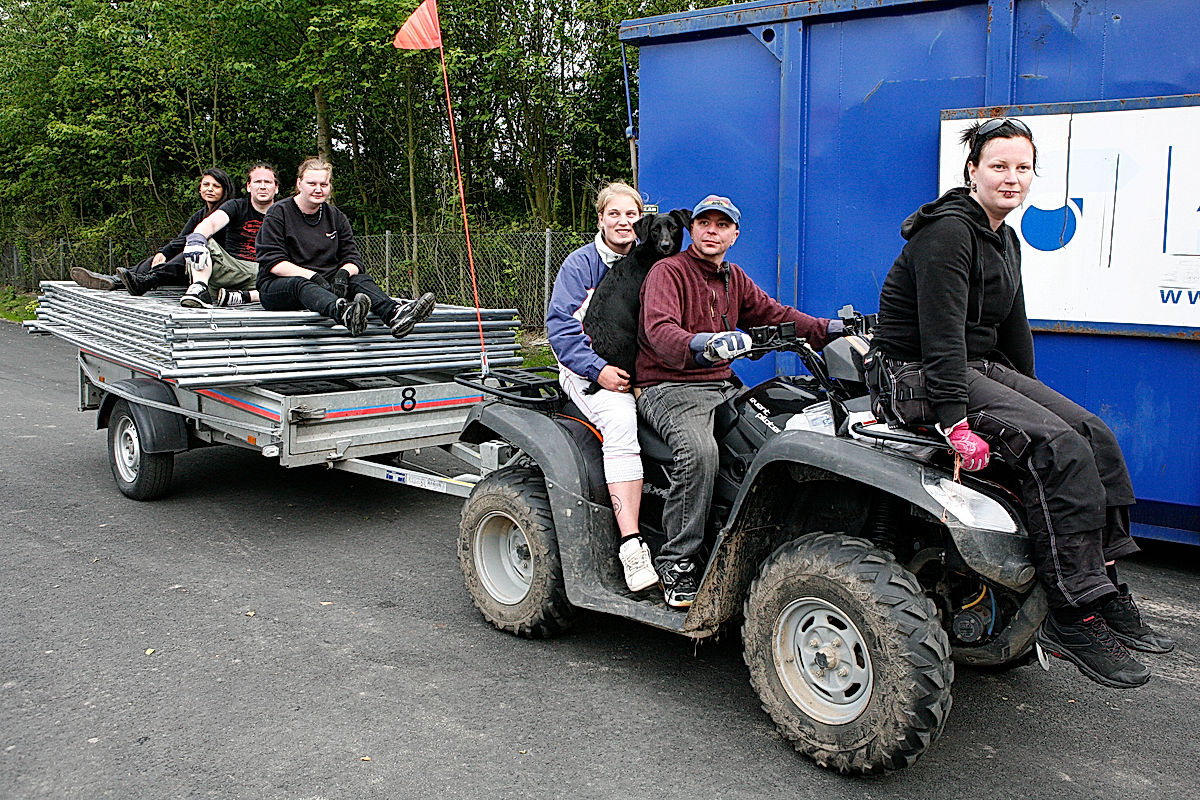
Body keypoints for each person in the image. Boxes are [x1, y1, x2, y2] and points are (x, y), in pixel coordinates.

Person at [866, 118, 1173, 689]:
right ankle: (1071, 614)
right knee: (1060, 451)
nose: (1012, 178)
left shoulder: (1003, 236)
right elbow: (941, 337)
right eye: (999, 166)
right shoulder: (947, 234)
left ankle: (1104, 589)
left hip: (978, 366)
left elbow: (1014, 328)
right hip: (919, 377)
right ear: (973, 170)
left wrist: (1029, 396)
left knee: (1094, 437)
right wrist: (955, 423)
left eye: (1023, 167)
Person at [635, 195, 842, 607]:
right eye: (704, 223)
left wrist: (830, 330)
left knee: (775, 436)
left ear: (734, 235)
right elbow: (660, 330)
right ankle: (677, 560)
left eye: (722, 225)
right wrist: (704, 344)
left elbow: (774, 314)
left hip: (721, 383)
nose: (712, 231)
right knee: (699, 453)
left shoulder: (734, 278)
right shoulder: (667, 272)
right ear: (692, 229)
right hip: (669, 385)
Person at [546, 181, 658, 594]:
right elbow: (561, 329)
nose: (623, 222)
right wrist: (598, 371)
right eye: (615, 214)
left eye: (631, 214)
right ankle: (631, 544)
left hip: (640, 367)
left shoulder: (654, 261)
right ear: (601, 219)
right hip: (590, 372)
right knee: (622, 421)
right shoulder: (580, 265)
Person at [254, 157, 434, 337]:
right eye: (312, 184)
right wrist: (313, 277)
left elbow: (353, 258)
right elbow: (274, 262)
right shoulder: (278, 213)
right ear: (299, 184)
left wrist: (343, 274)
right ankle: (345, 313)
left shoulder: (336, 216)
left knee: (359, 279)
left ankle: (395, 313)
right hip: (282, 286)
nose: (318, 189)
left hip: (326, 287)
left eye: (324, 184)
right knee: (300, 283)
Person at [70, 168, 234, 294]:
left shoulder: (226, 214)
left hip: (212, 268)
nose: (210, 189)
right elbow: (182, 238)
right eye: (206, 185)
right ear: (199, 188)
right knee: (159, 256)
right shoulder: (199, 215)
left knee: (190, 252)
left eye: (216, 186)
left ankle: (146, 280)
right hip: (191, 267)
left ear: (224, 190)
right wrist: (163, 253)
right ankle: (116, 280)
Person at [158, 162, 281, 308]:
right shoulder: (235, 206)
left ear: (276, 188)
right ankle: (199, 289)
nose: (262, 186)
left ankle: (246, 296)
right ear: (249, 186)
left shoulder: (284, 212)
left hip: (266, 273)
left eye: (267, 182)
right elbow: (211, 223)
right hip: (231, 268)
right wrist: (197, 240)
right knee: (204, 242)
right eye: (257, 182)